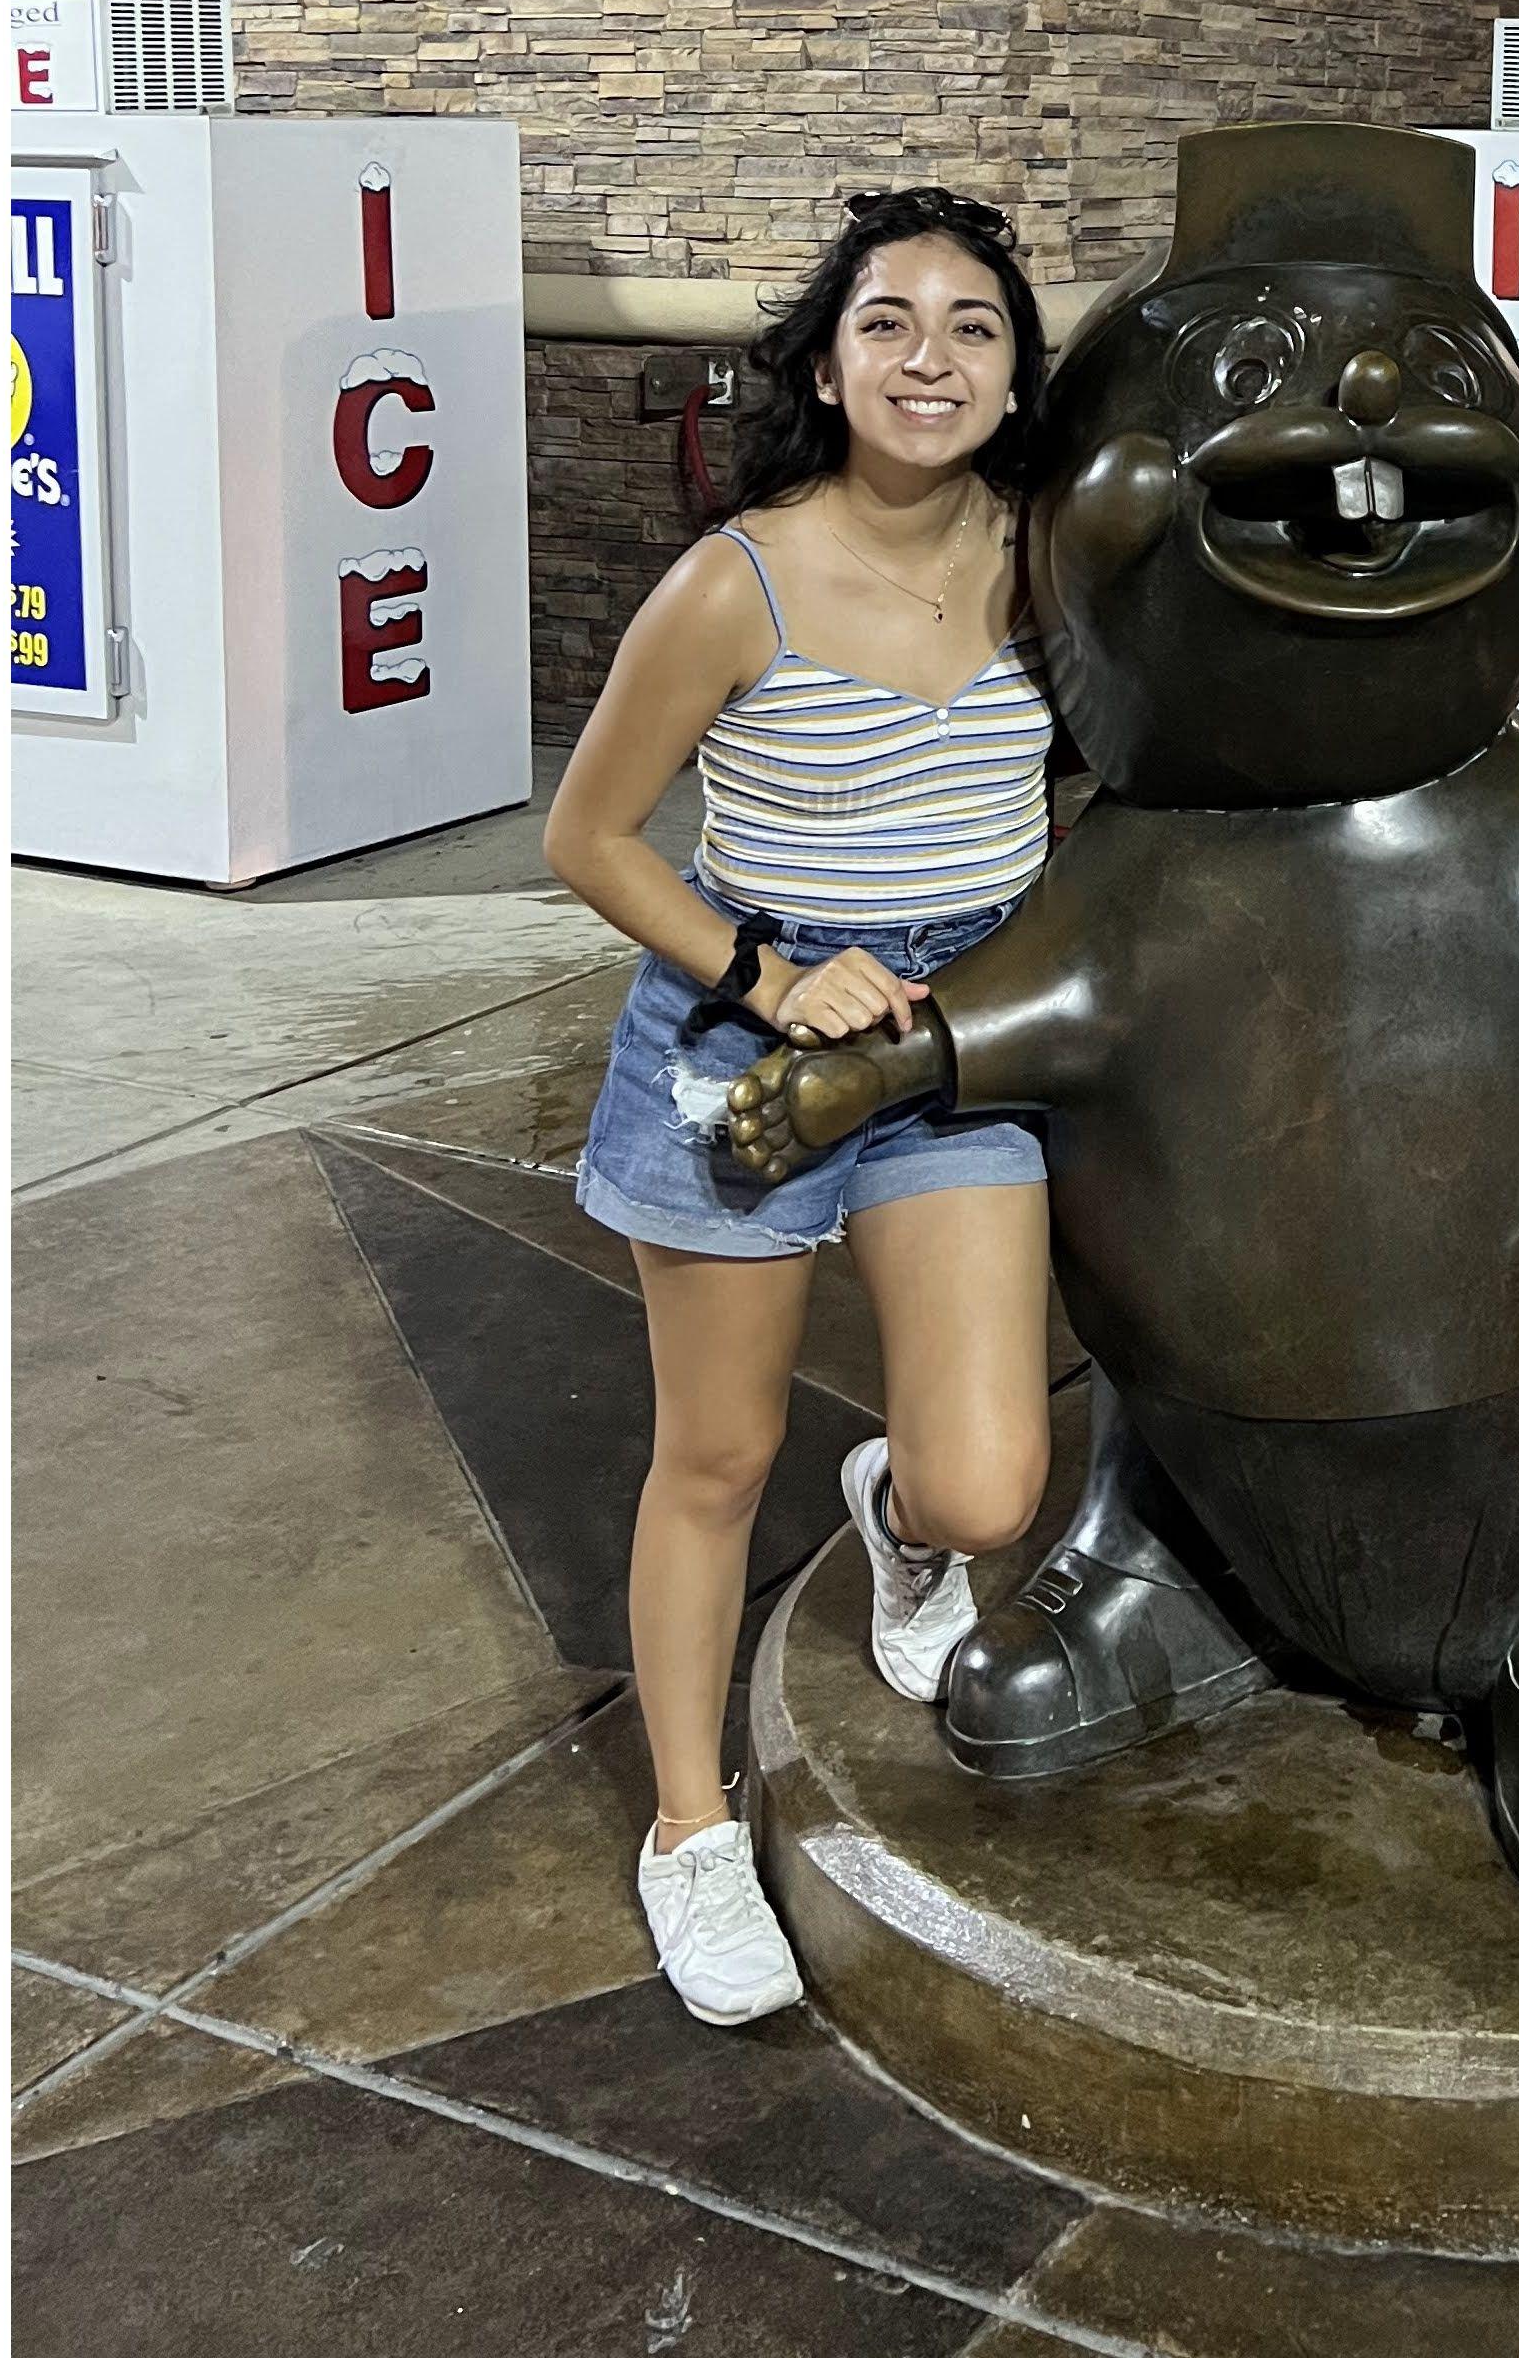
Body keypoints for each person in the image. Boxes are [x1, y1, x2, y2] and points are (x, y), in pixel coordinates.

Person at [543, 184, 1069, 2030]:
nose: (932, 357)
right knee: (713, 1457)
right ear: (830, 366)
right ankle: (692, 1832)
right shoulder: (736, 577)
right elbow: (587, 835)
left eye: (974, 327)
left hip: (954, 1040)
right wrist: (766, 971)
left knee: (991, 1476)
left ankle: (900, 1528)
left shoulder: (1052, 555)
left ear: (1016, 376)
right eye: (891, 324)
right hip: (741, 1039)